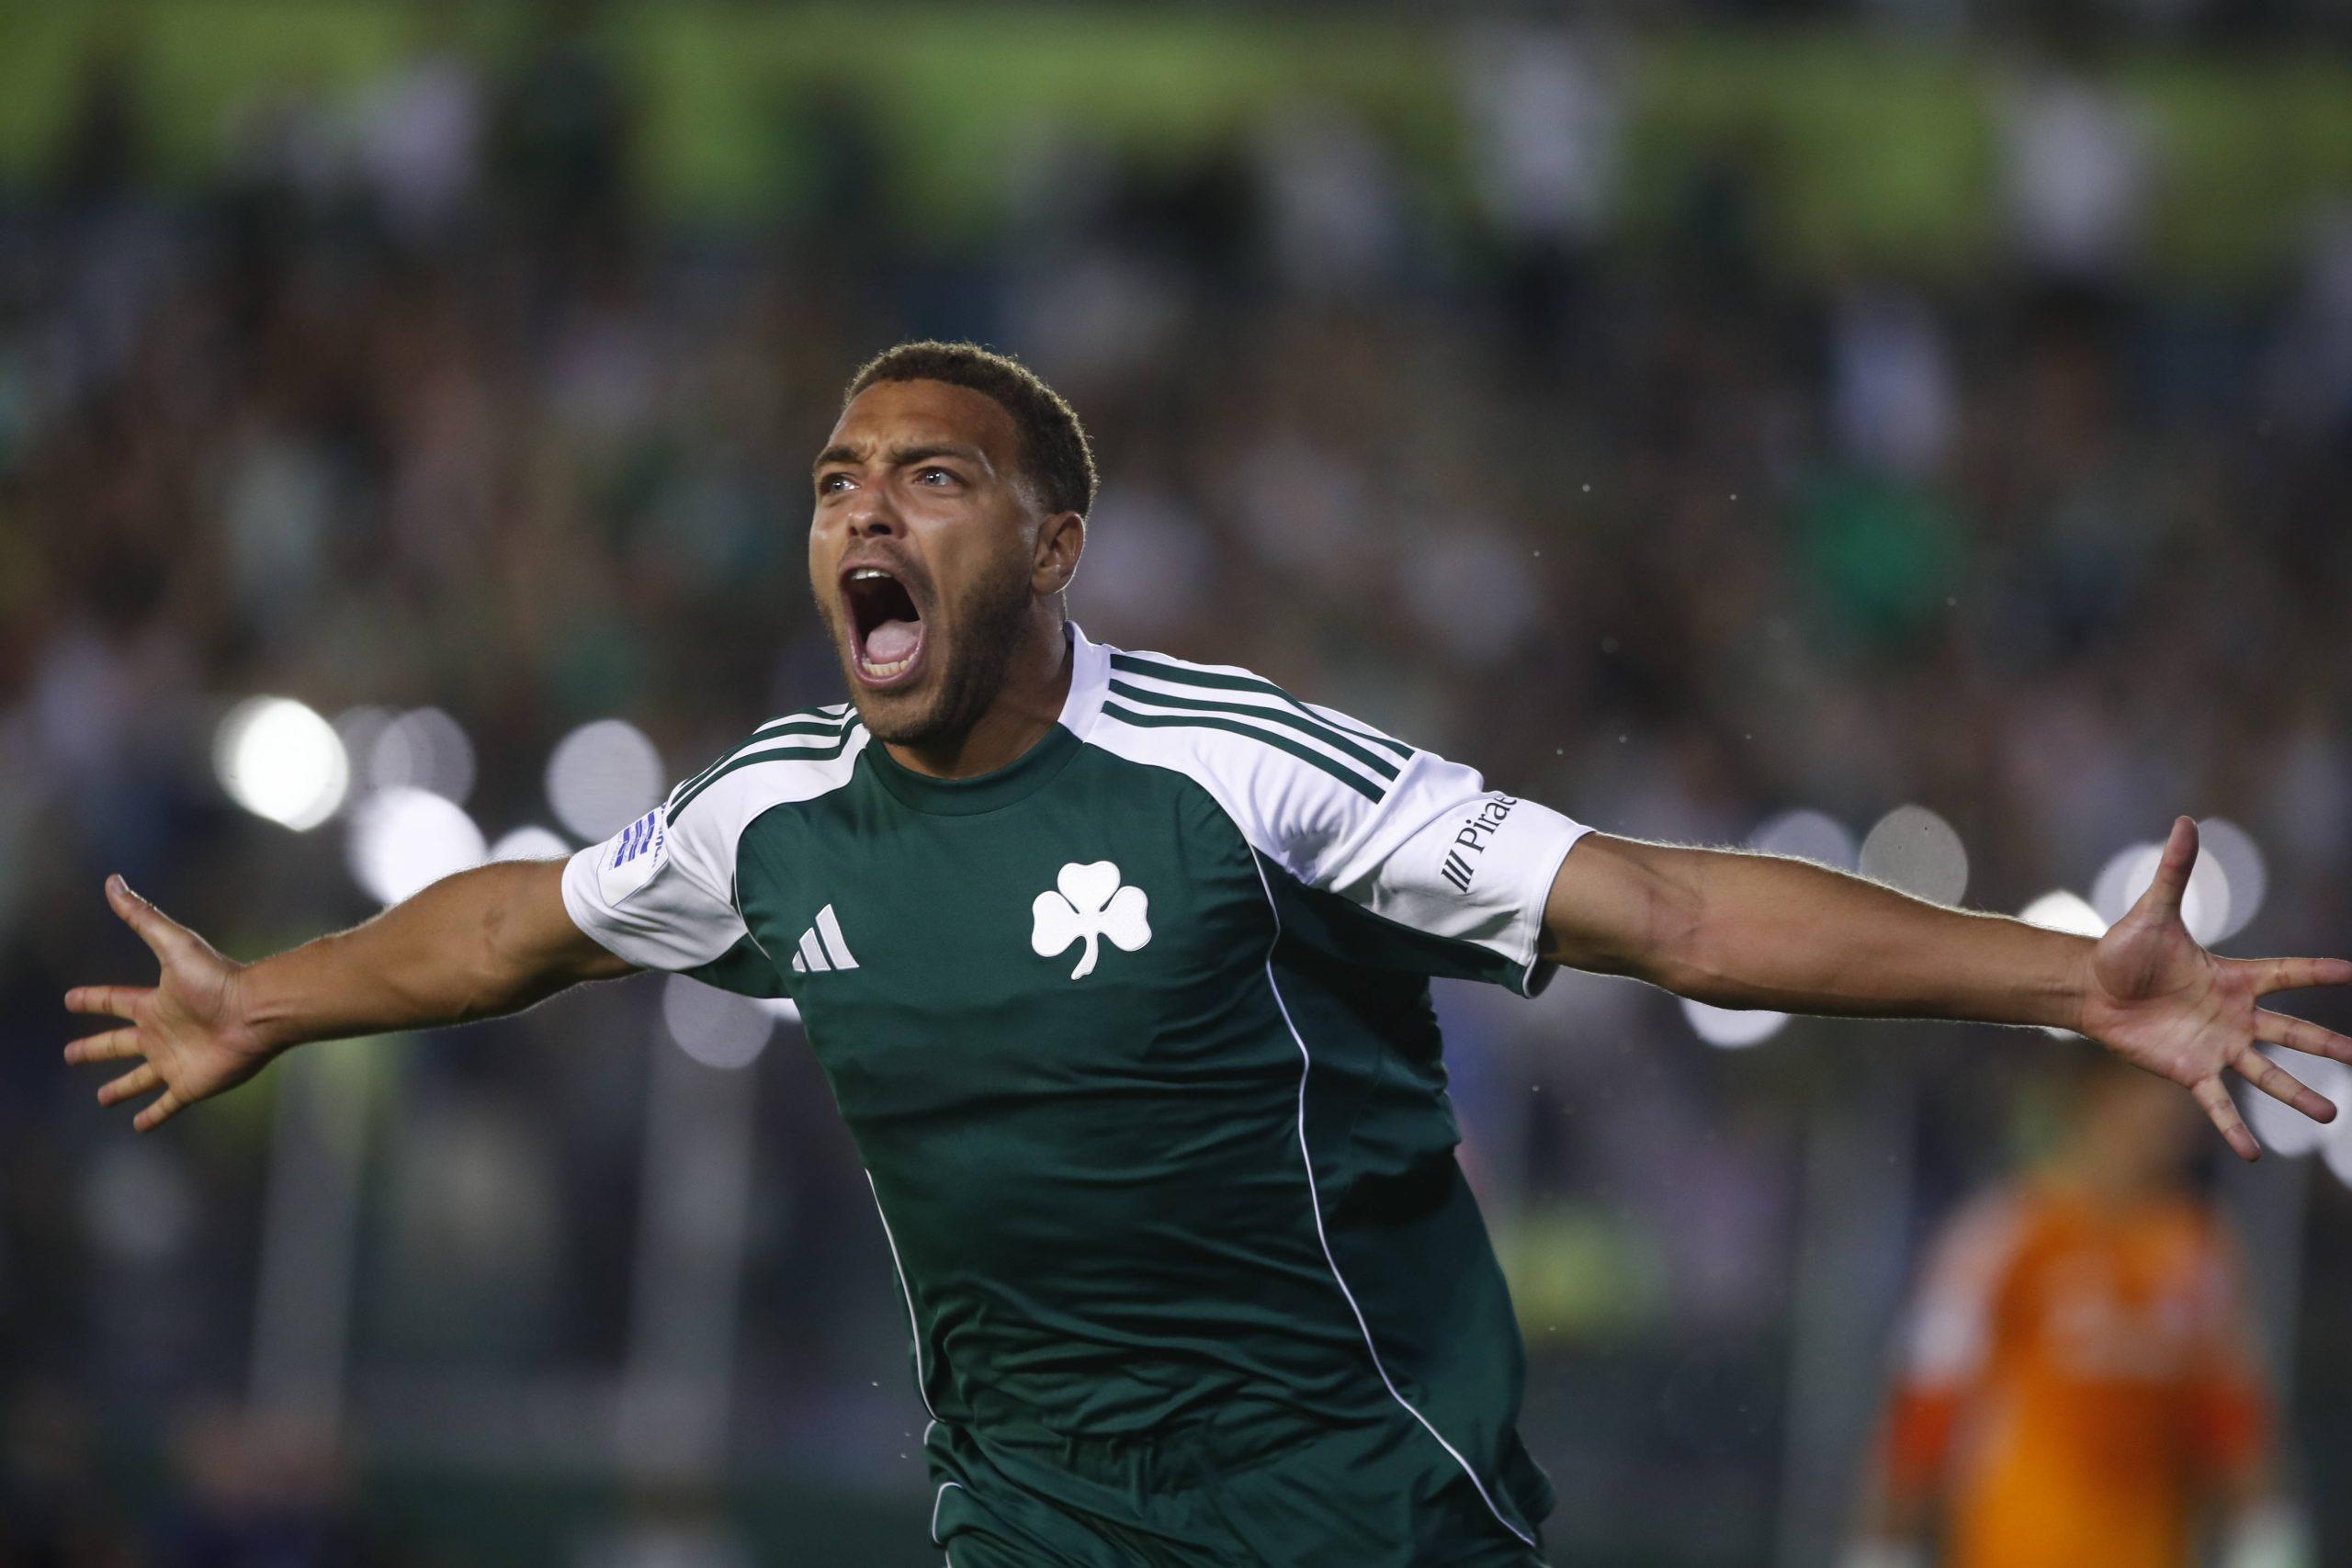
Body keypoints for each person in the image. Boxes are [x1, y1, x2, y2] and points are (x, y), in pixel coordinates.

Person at [63, 342, 2352, 1567]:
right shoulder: (769, 811)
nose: (864, 504)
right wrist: (266, 996)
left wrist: (2064, 976)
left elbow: (1665, 910)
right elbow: (518, 924)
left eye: (930, 474)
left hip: (1356, 1501)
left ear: (1053, 545)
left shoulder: (1238, 772)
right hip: (1033, 1512)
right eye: (839, 474)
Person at [1849, 1061, 2309, 1568]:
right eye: (2156, 1092)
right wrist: (1883, 1548)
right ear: (2097, 1098)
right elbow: (1925, 1409)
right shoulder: (2004, 1233)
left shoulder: (2198, 1251)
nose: (2175, 1116)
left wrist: (2268, 1540)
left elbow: (2233, 1422)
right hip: (2019, 1549)